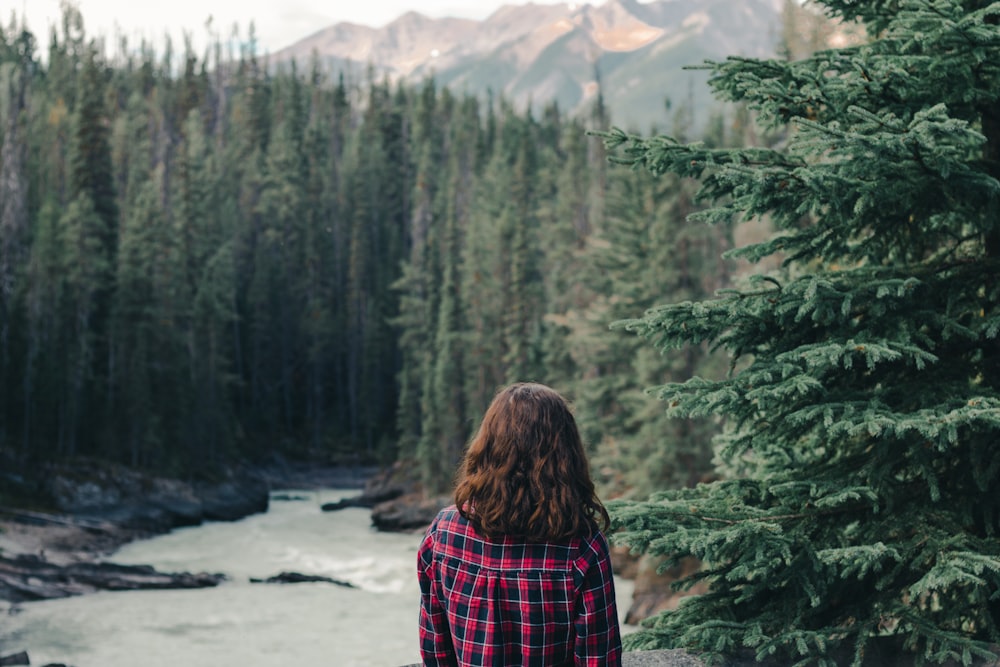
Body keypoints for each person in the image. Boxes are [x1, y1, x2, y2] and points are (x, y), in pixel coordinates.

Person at [417, 382, 623, 667]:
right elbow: (599, 659)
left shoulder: (444, 531)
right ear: (566, 454)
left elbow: (435, 649)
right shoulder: (581, 548)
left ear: (488, 445)